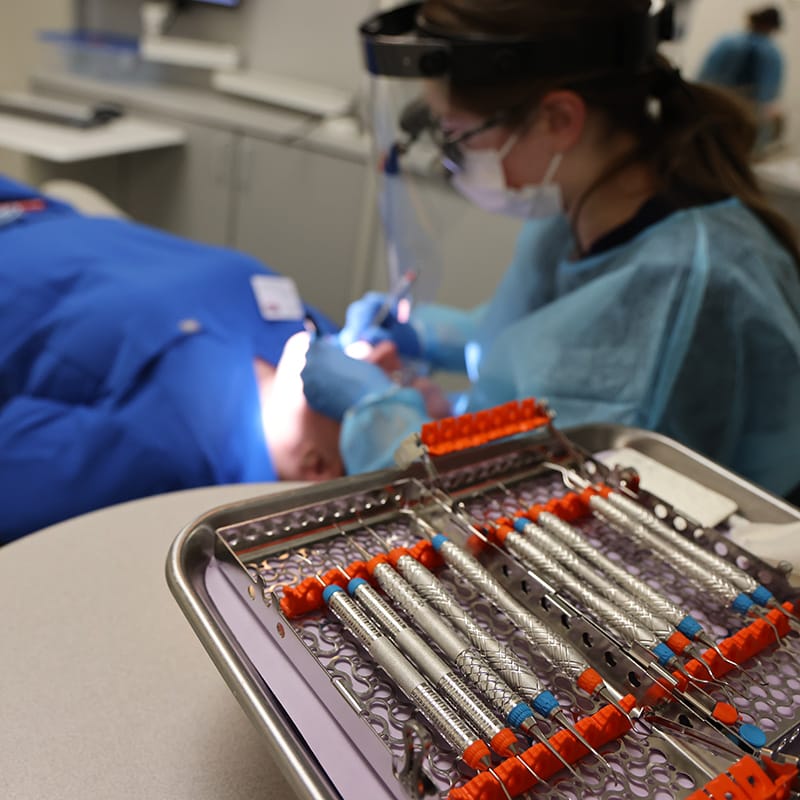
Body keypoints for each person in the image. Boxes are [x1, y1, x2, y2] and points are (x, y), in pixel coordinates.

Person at [301, 0, 800, 501]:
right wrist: (430, 337)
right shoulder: (582, 207)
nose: (451, 157)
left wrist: (376, 412)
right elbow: (549, 342)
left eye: (457, 134)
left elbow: (536, 505)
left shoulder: (687, 287)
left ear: (559, 118)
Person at [0, 174, 344, 543]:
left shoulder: (172, 452)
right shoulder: (311, 335)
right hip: (35, 209)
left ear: (315, 464)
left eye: (374, 394)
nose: (382, 355)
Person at [697, 6, 785, 150]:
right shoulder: (771, 53)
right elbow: (768, 97)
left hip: (713, 113)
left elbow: (704, 79)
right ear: (771, 27)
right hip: (745, 122)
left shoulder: (726, 43)